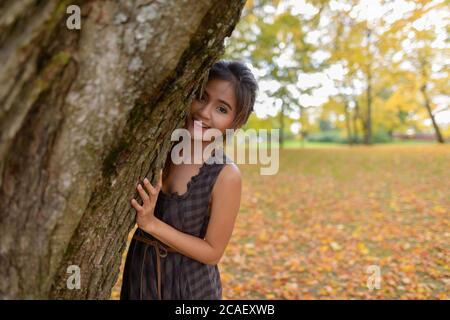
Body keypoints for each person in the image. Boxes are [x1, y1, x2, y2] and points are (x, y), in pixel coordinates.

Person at [120, 60, 258, 299]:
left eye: (222, 109)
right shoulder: (159, 149)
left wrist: (152, 224)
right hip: (140, 277)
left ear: (235, 122)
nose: (204, 112)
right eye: (202, 97)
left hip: (188, 289)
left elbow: (213, 252)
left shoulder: (225, 175)